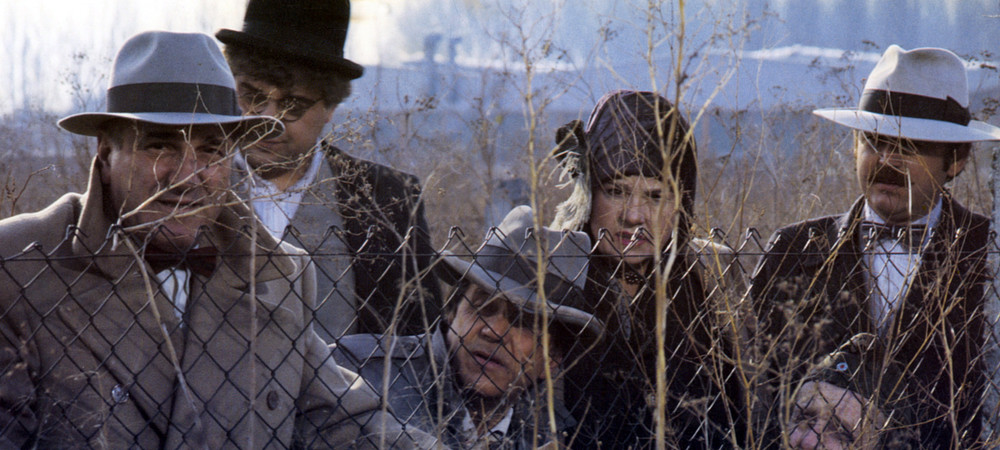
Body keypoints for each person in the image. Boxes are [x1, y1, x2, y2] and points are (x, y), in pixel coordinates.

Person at [0, 31, 432, 448]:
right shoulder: (18, 265)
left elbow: (340, 421)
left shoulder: (277, 276)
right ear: (106, 150)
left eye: (211, 150)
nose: (189, 177)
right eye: (160, 146)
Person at [750, 45, 1000, 448]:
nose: (886, 160)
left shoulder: (987, 254)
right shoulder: (794, 251)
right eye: (873, 141)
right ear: (854, 146)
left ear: (956, 159)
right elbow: (755, 396)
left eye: (909, 145)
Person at [216, 0, 441, 342]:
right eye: (252, 97)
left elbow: (418, 342)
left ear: (331, 107)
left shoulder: (388, 199)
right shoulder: (191, 181)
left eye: (293, 105)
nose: (268, 120)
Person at [549, 90, 747, 448]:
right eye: (616, 190)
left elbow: (750, 405)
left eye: (655, 196)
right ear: (588, 192)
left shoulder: (712, 276)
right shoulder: (549, 276)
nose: (634, 216)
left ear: (681, 203)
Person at [332, 205, 605, 449]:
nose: (493, 331)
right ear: (452, 311)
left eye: (524, 322)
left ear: (552, 358)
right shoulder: (357, 374)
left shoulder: (551, 434)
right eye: (483, 305)